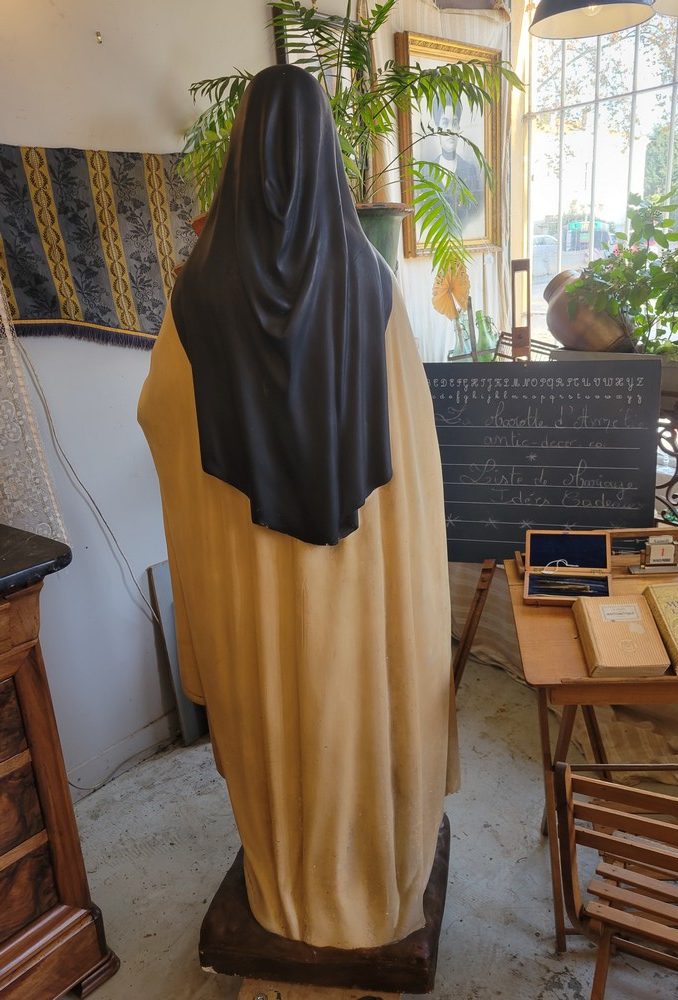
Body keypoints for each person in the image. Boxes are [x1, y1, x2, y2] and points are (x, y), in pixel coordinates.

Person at [137, 64, 458, 950]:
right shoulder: (370, 284)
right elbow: (415, 451)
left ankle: (291, 884)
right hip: (358, 581)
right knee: (360, 707)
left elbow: (159, 415)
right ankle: (380, 878)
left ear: (237, 153)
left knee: (279, 716)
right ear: (327, 152)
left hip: (251, 576)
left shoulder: (195, 293)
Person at [427, 96, 484, 228]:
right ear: (436, 129)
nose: (450, 130)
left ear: (458, 128)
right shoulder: (424, 173)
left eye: (454, 123)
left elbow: (475, 214)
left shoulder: (471, 171)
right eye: (445, 123)